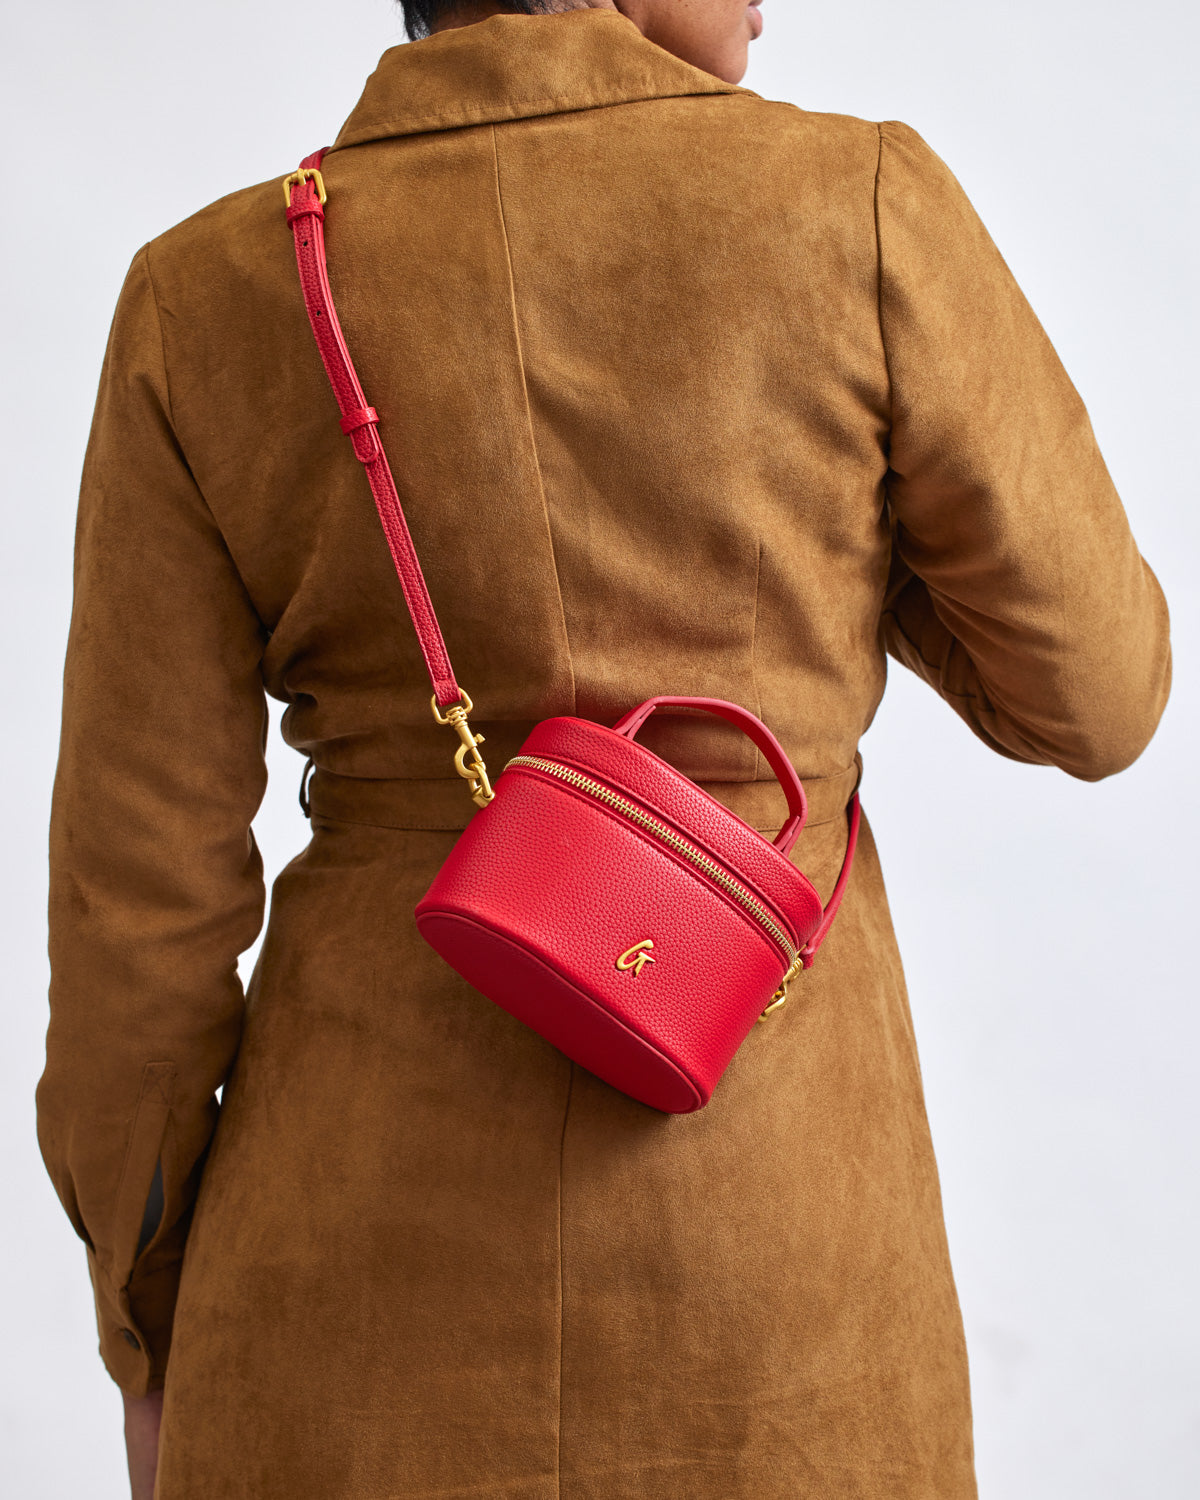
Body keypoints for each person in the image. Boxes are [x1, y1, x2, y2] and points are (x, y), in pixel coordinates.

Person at [36, 2, 1171, 1497]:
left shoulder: (204, 293)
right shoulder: (861, 207)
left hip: (342, 1278)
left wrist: (148, 1332)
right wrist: (844, 559)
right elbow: (1095, 697)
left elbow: (137, 916)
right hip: (781, 1294)